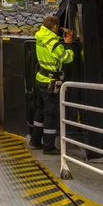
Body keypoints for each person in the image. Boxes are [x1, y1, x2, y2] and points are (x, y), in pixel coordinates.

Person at [29, 15, 74, 155]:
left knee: (40, 111)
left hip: (40, 78)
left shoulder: (40, 37)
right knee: (51, 114)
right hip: (50, 82)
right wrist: (69, 44)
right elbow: (67, 58)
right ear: (54, 27)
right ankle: (49, 146)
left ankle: (35, 141)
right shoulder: (53, 43)